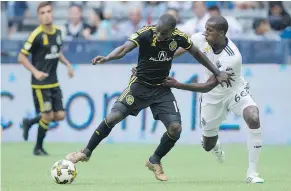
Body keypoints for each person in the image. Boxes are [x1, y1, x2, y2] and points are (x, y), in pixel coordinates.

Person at [65, 13, 233, 182]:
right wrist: (108, 58)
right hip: (140, 85)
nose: (158, 36)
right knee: (113, 116)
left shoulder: (180, 38)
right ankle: (85, 152)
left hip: (161, 89)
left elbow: (197, 53)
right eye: (158, 31)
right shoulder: (146, 33)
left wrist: (217, 72)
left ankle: (155, 160)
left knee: (175, 128)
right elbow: (124, 48)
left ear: (172, 31)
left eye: (163, 34)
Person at [166, 16, 264, 184]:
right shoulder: (200, 38)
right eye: (205, 28)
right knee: (208, 146)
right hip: (212, 99)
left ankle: (252, 173)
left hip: (234, 92)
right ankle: (215, 146)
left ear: (221, 33)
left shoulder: (232, 57)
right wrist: (161, 60)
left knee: (253, 117)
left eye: (210, 30)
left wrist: (178, 84)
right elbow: (178, 51)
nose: (206, 32)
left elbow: (207, 86)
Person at [18, 2, 74, 156]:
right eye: (42, 13)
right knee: (48, 116)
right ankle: (38, 148)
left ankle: (28, 122)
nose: (46, 15)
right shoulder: (36, 34)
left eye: (48, 11)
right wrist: (35, 72)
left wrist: (68, 65)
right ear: (38, 16)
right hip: (40, 84)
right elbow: (21, 57)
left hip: (54, 82)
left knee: (60, 115)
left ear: (53, 13)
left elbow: (57, 52)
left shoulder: (58, 32)